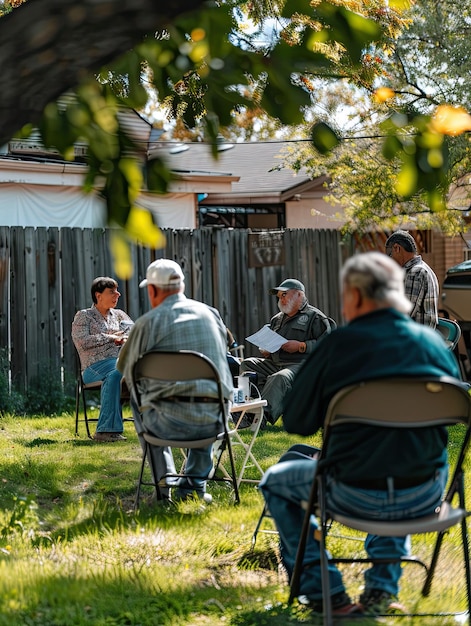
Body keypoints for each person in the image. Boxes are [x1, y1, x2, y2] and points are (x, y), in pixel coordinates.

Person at [259, 252, 462, 616]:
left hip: (353, 492)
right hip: (425, 493)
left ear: (353, 296)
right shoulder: (434, 345)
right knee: (399, 456)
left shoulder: (340, 345)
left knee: (276, 480)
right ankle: (382, 591)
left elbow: (296, 422)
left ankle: (326, 592)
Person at [117, 258, 233, 503]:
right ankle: (193, 486)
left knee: (139, 403)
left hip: (164, 424)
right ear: (181, 286)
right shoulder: (211, 314)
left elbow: (125, 371)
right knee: (207, 394)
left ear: (152, 290)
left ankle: (163, 487)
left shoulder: (146, 323)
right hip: (213, 421)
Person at [239, 278, 333, 425]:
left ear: (299, 295)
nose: (281, 299)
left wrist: (301, 346)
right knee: (246, 364)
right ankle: (243, 410)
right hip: (276, 362)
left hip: (301, 366)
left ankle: (258, 418)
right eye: (279, 296)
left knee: (280, 378)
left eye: (284, 294)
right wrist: (267, 350)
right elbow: (271, 342)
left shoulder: (315, 318)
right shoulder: (277, 319)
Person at [72, 276, 133, 442]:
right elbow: (82, 341)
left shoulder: (119, 315)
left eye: (117, 291)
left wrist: (125, 338)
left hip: (119, 364)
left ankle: (153, 425)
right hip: (93, 368)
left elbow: (133, 333)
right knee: (116, 373)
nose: (118, 294)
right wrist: (110, 337)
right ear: (98, 296)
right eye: (112, 292)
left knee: (126, 371)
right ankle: (105, 431)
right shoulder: (84, 316)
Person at [385, 230, 439, 328]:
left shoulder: (415, 273)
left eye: (390, 254)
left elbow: (403, 313)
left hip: (414, 340)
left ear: (397, 248)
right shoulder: (423, 268)